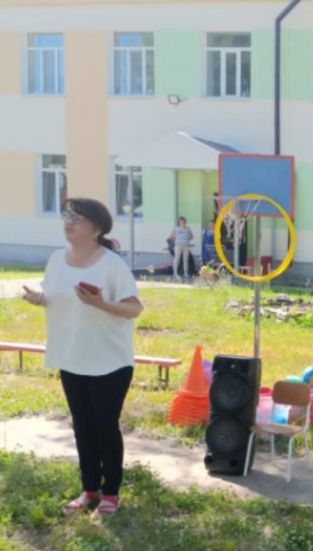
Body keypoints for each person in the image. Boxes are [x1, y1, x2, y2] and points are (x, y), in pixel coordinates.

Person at [21, 197, 143, 518]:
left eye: (77, 217)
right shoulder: (56, 259)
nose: (68, 222)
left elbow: (134, 308)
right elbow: (56, 297)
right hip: (72, 357)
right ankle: (89, 489)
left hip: (110, 362)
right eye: (67, 216)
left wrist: (102, 304)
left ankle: (111, 494)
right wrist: (40, 299)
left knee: (105, 426)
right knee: (82, 427)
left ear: (96, 230)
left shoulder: (112, 264)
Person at [168, 216, 193, 281]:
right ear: (179, 222)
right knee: (177, 258)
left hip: (186, 245)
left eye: (183, 221)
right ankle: (175, 273)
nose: (182, 222)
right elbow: (170, 236)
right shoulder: (176, 228)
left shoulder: (188, 228)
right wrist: (175, 237)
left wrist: (188, 239)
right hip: (178, 245)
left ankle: (186, 273)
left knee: (185, 259)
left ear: (185, 222)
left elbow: (191, 236)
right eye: (181, 221)